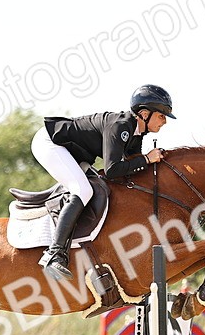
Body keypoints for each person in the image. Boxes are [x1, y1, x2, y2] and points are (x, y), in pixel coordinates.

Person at [32, 84, 175, 279]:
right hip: (50, 143)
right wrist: (147, 159)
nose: (164, 121)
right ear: (144, 114)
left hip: (73, 153)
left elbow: (133, 169)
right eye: (161, 116)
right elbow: (113, 169)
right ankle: (54, 254)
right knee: (82, 190)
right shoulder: (120, 125)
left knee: (97, 188)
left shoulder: (136, 133)